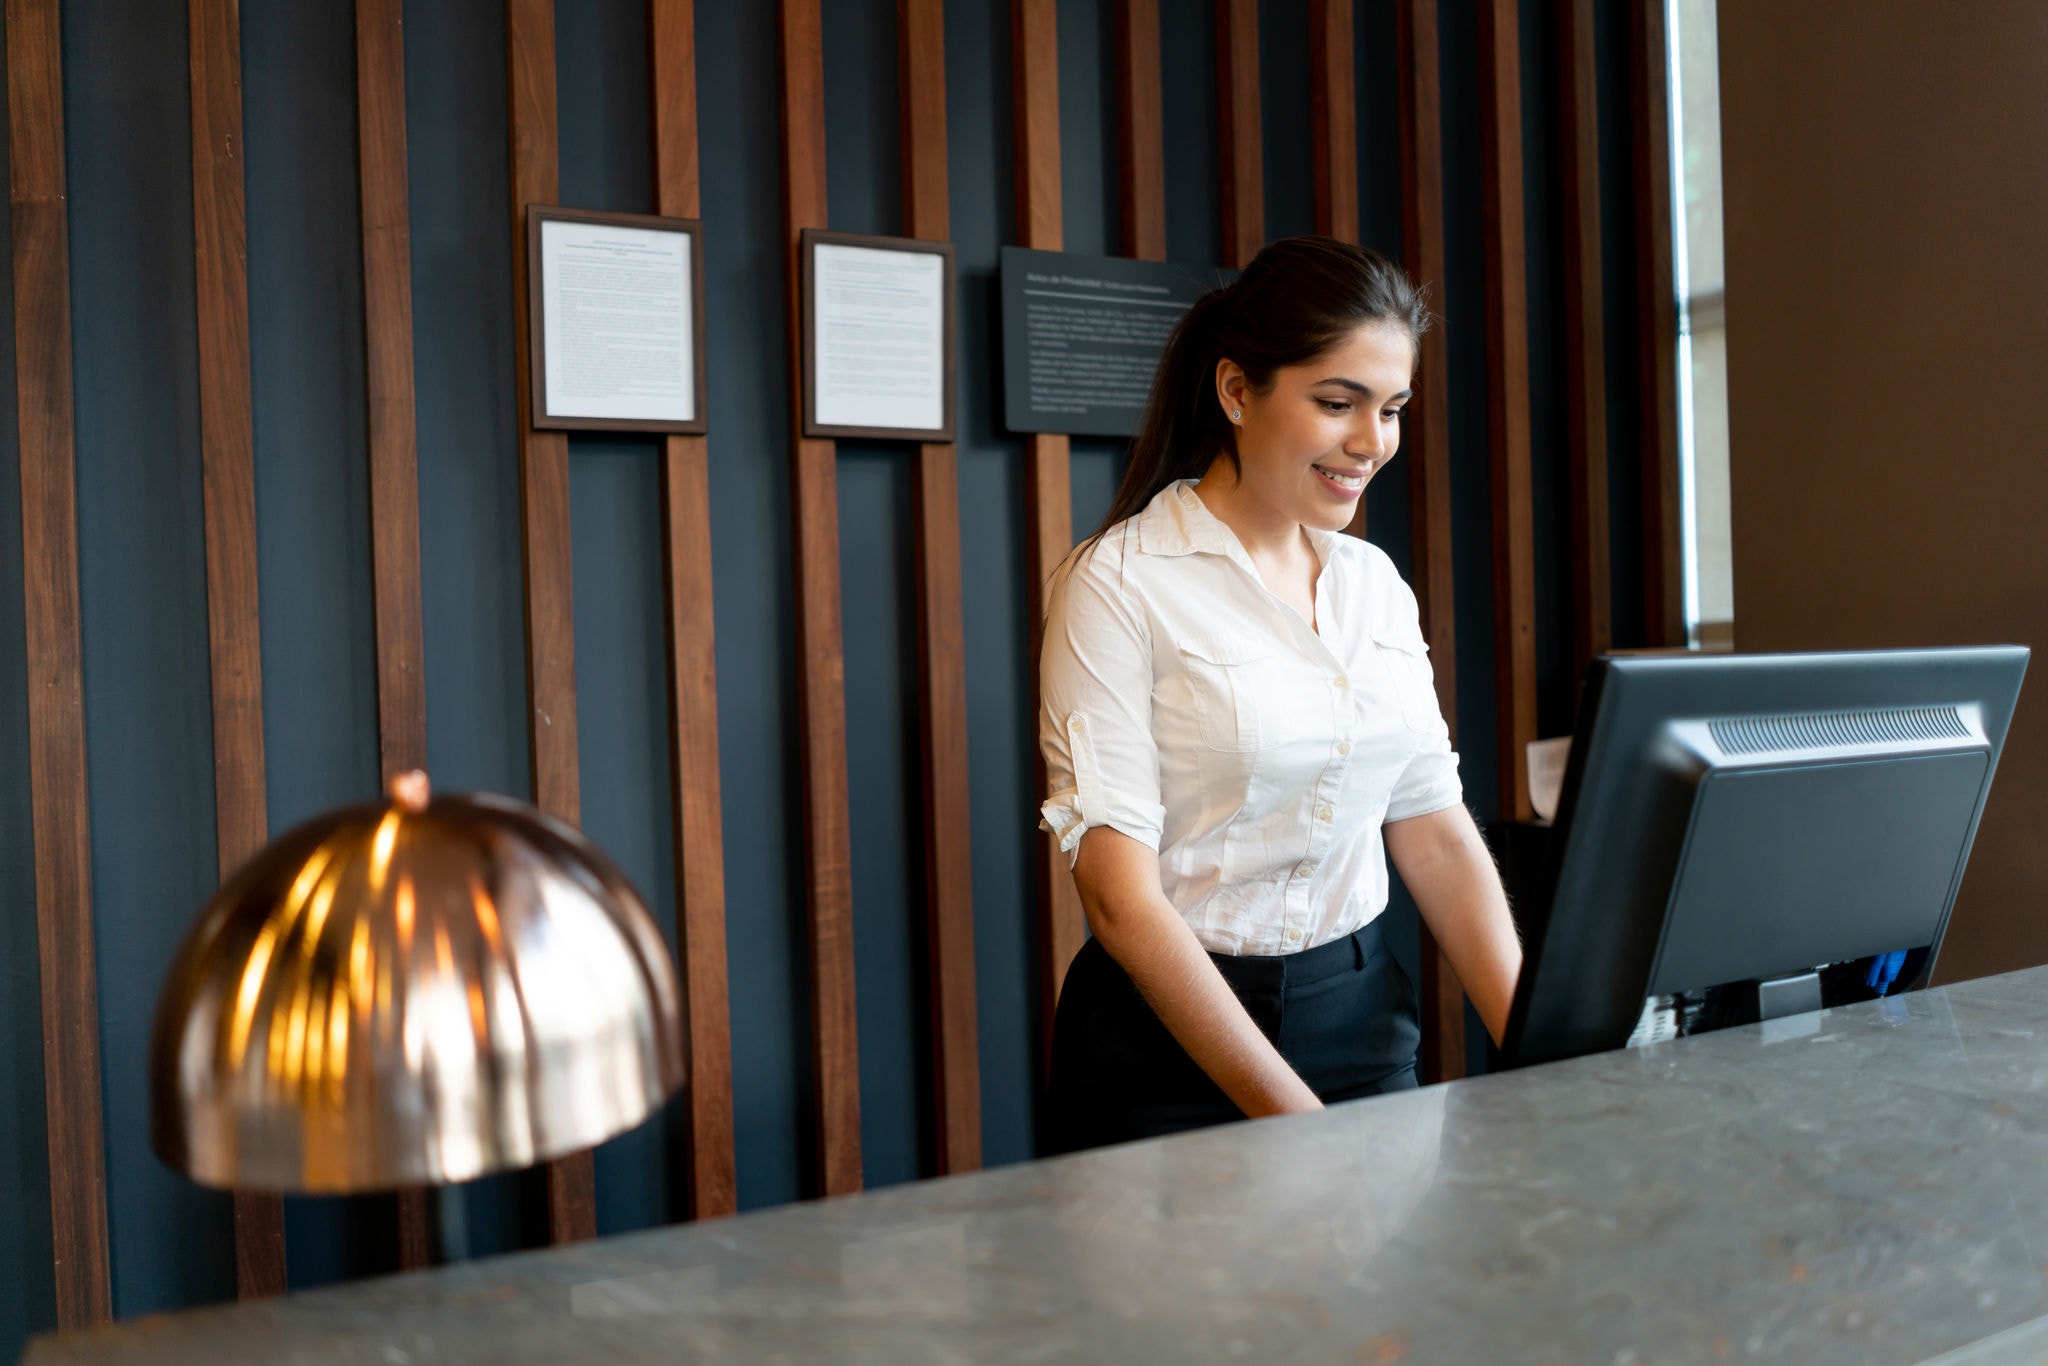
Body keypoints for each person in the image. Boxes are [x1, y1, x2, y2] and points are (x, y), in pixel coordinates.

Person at [1038, 235, 1523, 1154]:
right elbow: (1118, 897)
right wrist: (1305, 1133)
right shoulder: (1116, 583)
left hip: (1364, 1021)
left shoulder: (1373, 584)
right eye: (1337, 403)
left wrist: (1553, 1053)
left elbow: (1433, 827)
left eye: (1392, 409)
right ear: (1235, 391)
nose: (1371, 442)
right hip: (1167, 1049)